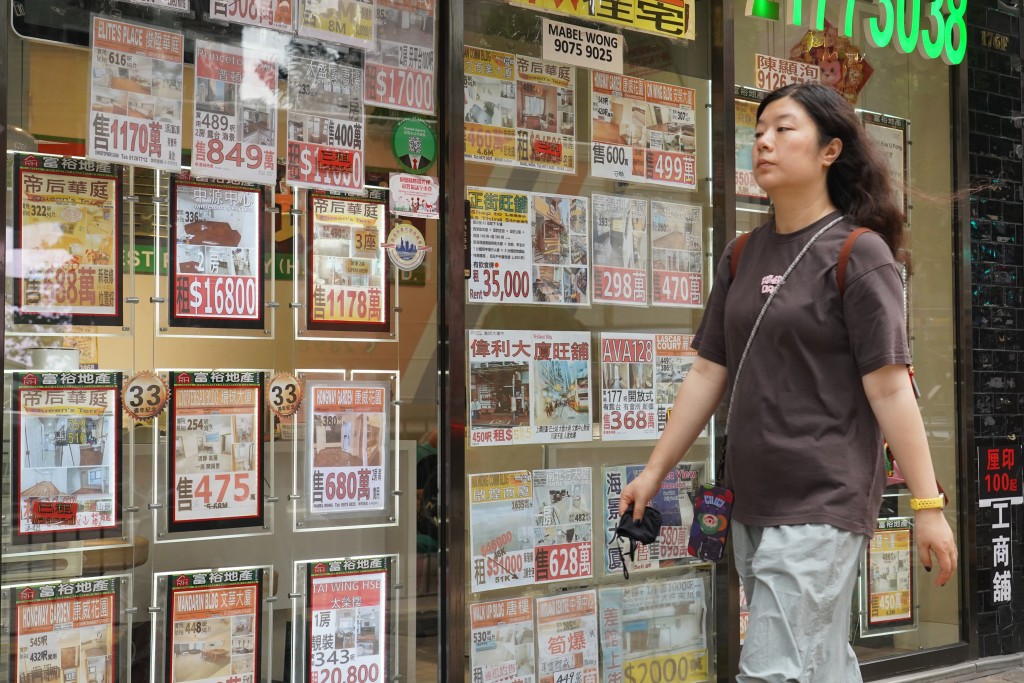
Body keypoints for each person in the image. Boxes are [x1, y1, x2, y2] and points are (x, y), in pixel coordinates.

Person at [618, 83, 956, 682]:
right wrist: (654, 470)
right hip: (752, 499)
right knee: (816, 661)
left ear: (830, 150)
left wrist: (928, 506)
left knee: (774, 669)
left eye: (783, 129)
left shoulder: (859, 253)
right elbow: (707, 370)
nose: (764, 144)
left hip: (822, 498)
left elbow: (890, 388)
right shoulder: (743, 254)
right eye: (758, 133)